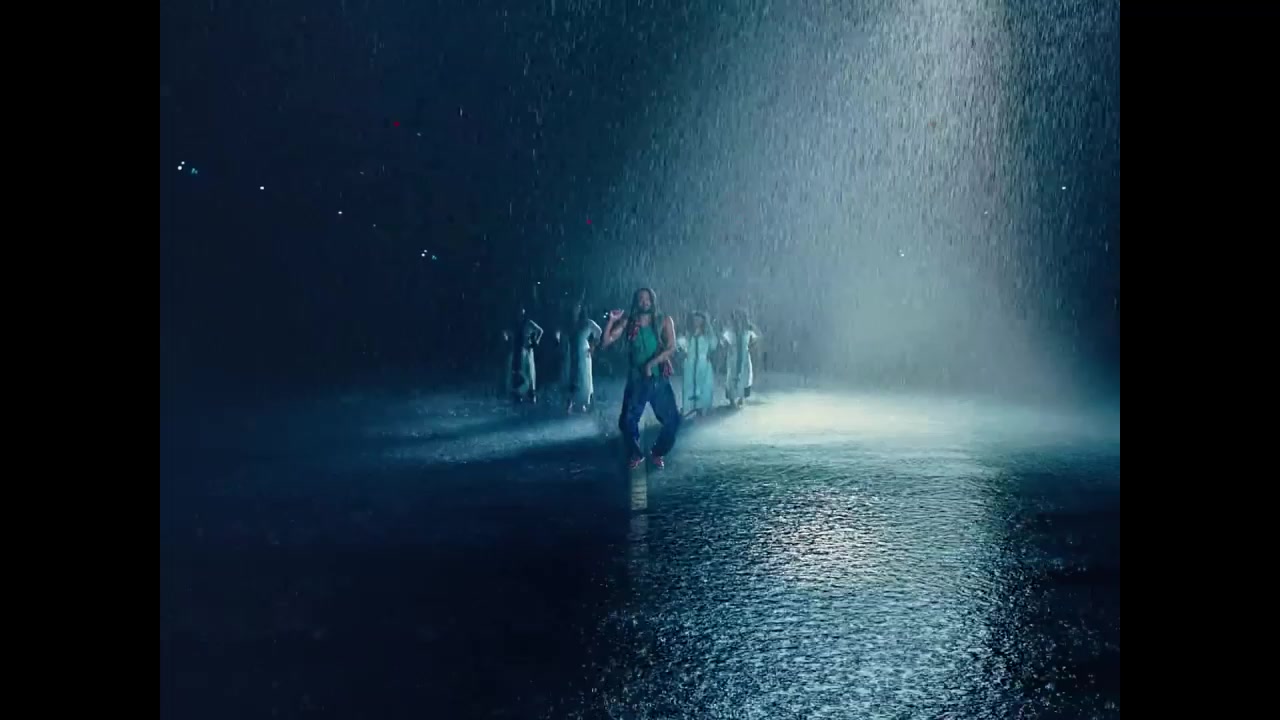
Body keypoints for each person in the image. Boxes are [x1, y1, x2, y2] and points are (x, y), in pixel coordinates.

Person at [600, 287, 681, 469]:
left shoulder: (664, 320)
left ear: (652, 300)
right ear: (636, 302)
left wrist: (651, 364)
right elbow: (606, 342)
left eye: (647, 298)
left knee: (673, 420)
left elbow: (671, 347)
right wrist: (611, 321)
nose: (644, 302)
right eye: (641, 299)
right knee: (626, 422)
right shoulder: (629, 322)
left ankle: (658, 452)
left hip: (658, 378)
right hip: (637, 379)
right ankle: (636, 453)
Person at [676, 311, 718, 417]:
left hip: (703, 363)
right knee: (689, 385)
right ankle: (689, 407)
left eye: (699, 319)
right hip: (690, 363)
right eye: (695, 319)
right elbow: (681, 346)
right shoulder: (688, 334)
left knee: (704, 385)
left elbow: (713, 346)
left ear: (703, 321)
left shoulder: (708, 335)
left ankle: (702, 407)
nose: (697, 322)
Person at [565, 303, 603, 413]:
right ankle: (571, 402)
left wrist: (593, 346)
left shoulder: (588, 323)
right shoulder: (572, 324)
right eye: (574, 309)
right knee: (573, 375)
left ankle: (585, 402)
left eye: (577, 309)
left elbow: (598, 331)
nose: (575, 311)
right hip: (573, 351)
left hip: (583, 351)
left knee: (584, 376)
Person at [722, 308, 760, 408]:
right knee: (731, 377)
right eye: (736, 317)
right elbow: (724, 343)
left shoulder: (748, 331)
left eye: (740, 317)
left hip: (744, 356)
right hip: (733, 357)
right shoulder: (730, 331)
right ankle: (731, 399)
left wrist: (749, 348)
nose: (738, 319)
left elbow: (755, 342)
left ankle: (741, 397)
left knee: (744, 376)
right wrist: (728, 348)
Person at [506, 307, 544, 403]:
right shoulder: (515, 325)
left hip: (528, 351)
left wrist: (536, 341)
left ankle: (531, 394)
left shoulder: (528, 323)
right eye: (519, 314)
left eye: (522, 314)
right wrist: (507, 337)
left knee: (530, 373)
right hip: (519, 351)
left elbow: (540, 331)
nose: (520, 316)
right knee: (520, 372)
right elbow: (509, 334)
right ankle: (519, 394)